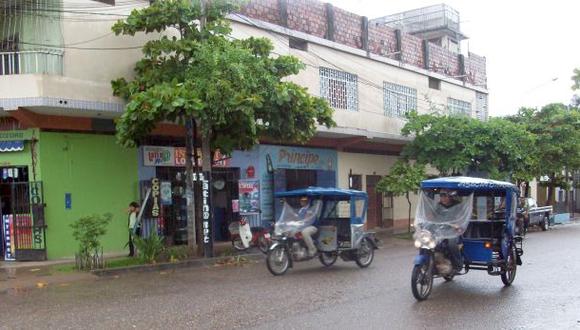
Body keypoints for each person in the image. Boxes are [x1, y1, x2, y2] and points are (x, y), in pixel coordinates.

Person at [435, 189, 463, 271]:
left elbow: (462, 217)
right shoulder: (438, 206)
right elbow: (432, 216)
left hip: (454, 231)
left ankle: (458, 264)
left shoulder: (457, 205)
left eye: (444, 195)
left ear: (450, 196)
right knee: (429, 242)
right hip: (441, 230)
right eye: (441, 195)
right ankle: (435, 262)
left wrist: (457, 224)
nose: (442, 198)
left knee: (452, 244)